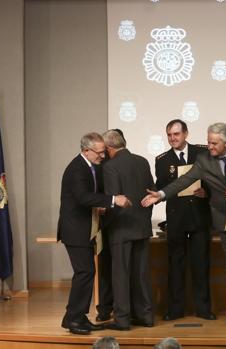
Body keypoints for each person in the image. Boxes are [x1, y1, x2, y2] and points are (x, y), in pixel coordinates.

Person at [141, 122, 226, 326]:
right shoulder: (202, 159)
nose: (210, 146)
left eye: (214, 143)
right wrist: (161, 195)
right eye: (208, 142)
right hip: (212, 217)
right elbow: (184, 180)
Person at [58, 132, 131, 335]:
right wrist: (114, 200)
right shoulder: (76, 169)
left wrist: (99, 206)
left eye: (103, 152)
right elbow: (82, 197)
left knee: (86, 273)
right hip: (75, 231)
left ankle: (78, 317)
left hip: (84, 229)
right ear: (86, 151)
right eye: (99, 153)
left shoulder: (89, 166)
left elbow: (87, 198)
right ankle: (72, 319)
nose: (102, 156)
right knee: (85, 272)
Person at [155, 119, 214, 321]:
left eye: (176, 134)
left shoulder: (203, 152)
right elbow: (162, 187)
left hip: (200, 217)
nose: (173, 138)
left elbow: (214, 181)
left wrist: (207, 193)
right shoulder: (161, 160)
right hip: (177, 220)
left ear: (186, 134)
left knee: (201, 265)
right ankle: (175, 310)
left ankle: (204, 309)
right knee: (176, 266)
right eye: (169, 135)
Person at [101, 130, 156, 330]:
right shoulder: (142, 161)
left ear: (109, 148)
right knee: (141, 274)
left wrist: (104, 224)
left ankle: (122, 319)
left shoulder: (110, 166)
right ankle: (146, 316)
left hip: (120, 229)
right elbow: (152, 192)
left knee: (120, 275)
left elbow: (114, 200)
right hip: (141, 226)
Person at [95, 128, 126, 322]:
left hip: (119, 221)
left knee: (117, 268)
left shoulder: (119, 163)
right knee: (106, 268)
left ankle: (116, 307)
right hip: (105, 222)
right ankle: (105, 308)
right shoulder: (100, 165)